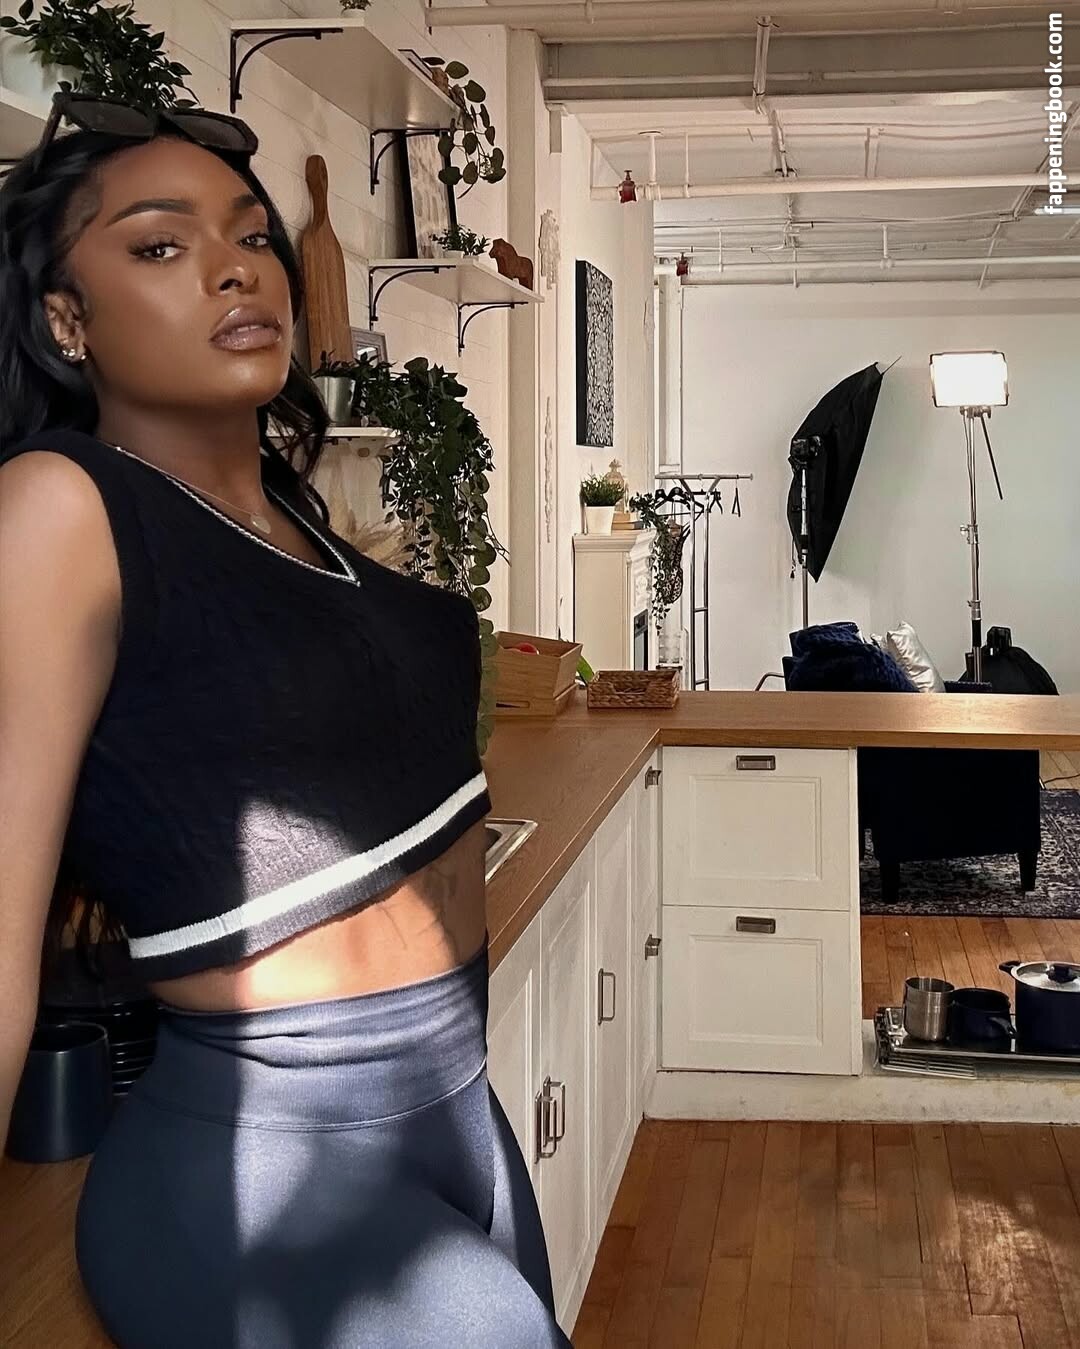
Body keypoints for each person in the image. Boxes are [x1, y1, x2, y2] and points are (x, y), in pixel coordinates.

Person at [0, 97, 570, 1349]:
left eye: (251, 234)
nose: (235, 266)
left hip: (458, 1110)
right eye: (160, 244)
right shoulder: (60, 506)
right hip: (263, 1159)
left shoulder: (303, 522)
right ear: (65, 318)